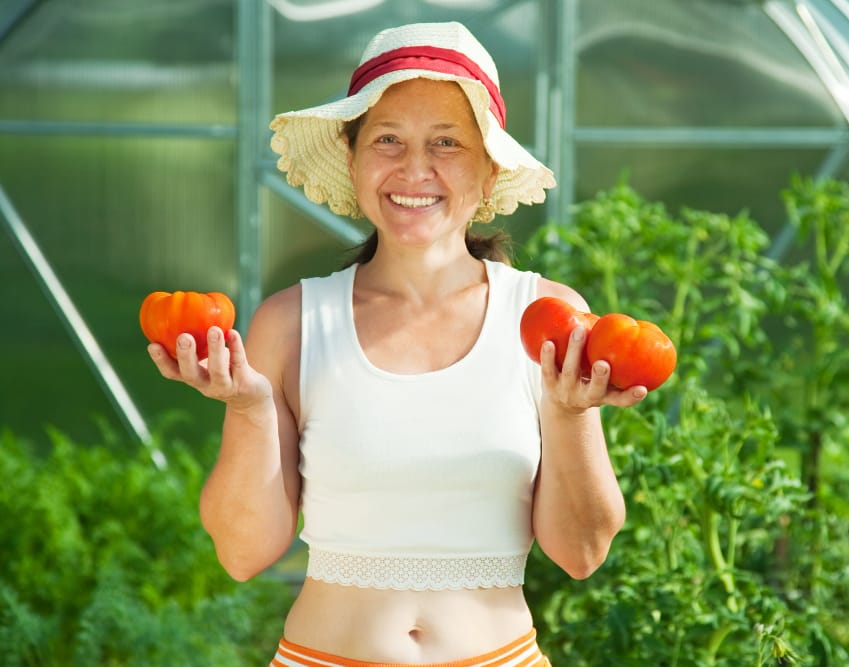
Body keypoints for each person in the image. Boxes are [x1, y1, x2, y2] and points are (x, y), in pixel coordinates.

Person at [147, 21, 648, 666]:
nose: (415, 169)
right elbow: (242, 554)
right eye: (388, 140)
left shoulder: (546, 318)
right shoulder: (292, 322)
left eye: (447, 142)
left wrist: (568, 412)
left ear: (489, 168)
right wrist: (248, 410)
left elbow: (581, 554)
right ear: (353, 159)